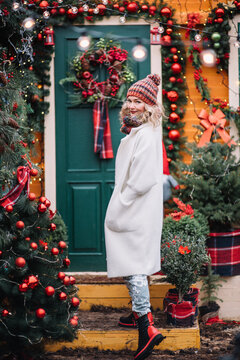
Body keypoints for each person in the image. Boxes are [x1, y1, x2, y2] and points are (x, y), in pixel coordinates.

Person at [104, 74, 165, 360]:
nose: (131, 106)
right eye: (129, 100)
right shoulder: (138, 134)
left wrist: (120, 203)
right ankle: (136, 313)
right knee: (134, 257)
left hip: (135, 208)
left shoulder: (147, 136)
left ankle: (146, 326)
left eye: (138, 101)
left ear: (150, 108)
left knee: (133, 263)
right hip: (139, 208)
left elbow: (141, 180)